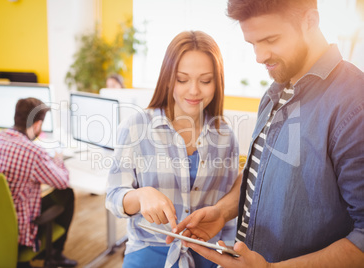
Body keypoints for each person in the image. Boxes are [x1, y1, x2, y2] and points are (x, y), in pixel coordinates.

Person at [170, 0, 364, 267]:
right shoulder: (274, 92)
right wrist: (221, 212)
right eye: (252, 44)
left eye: (270, 39)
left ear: (310, 21)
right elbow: (260, 175)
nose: (259, 56)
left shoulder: (354, 104)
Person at [105, 30, 239, 268]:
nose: (194, 90)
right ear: (168, 78)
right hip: (148, 253)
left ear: (217, 82)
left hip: (207, 256)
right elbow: (113, 197)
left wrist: (227, 255)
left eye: (205, 80)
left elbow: (227, 211)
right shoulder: (136, 127)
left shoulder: (225, 136)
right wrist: (140, 195)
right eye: (182, 79)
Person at [0, 98, 77, 267]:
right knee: (66, 193)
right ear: (37, 125)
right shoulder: (33, 152)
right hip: (15, 236)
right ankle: (55, 254)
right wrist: (58, 159)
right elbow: (62, 181)